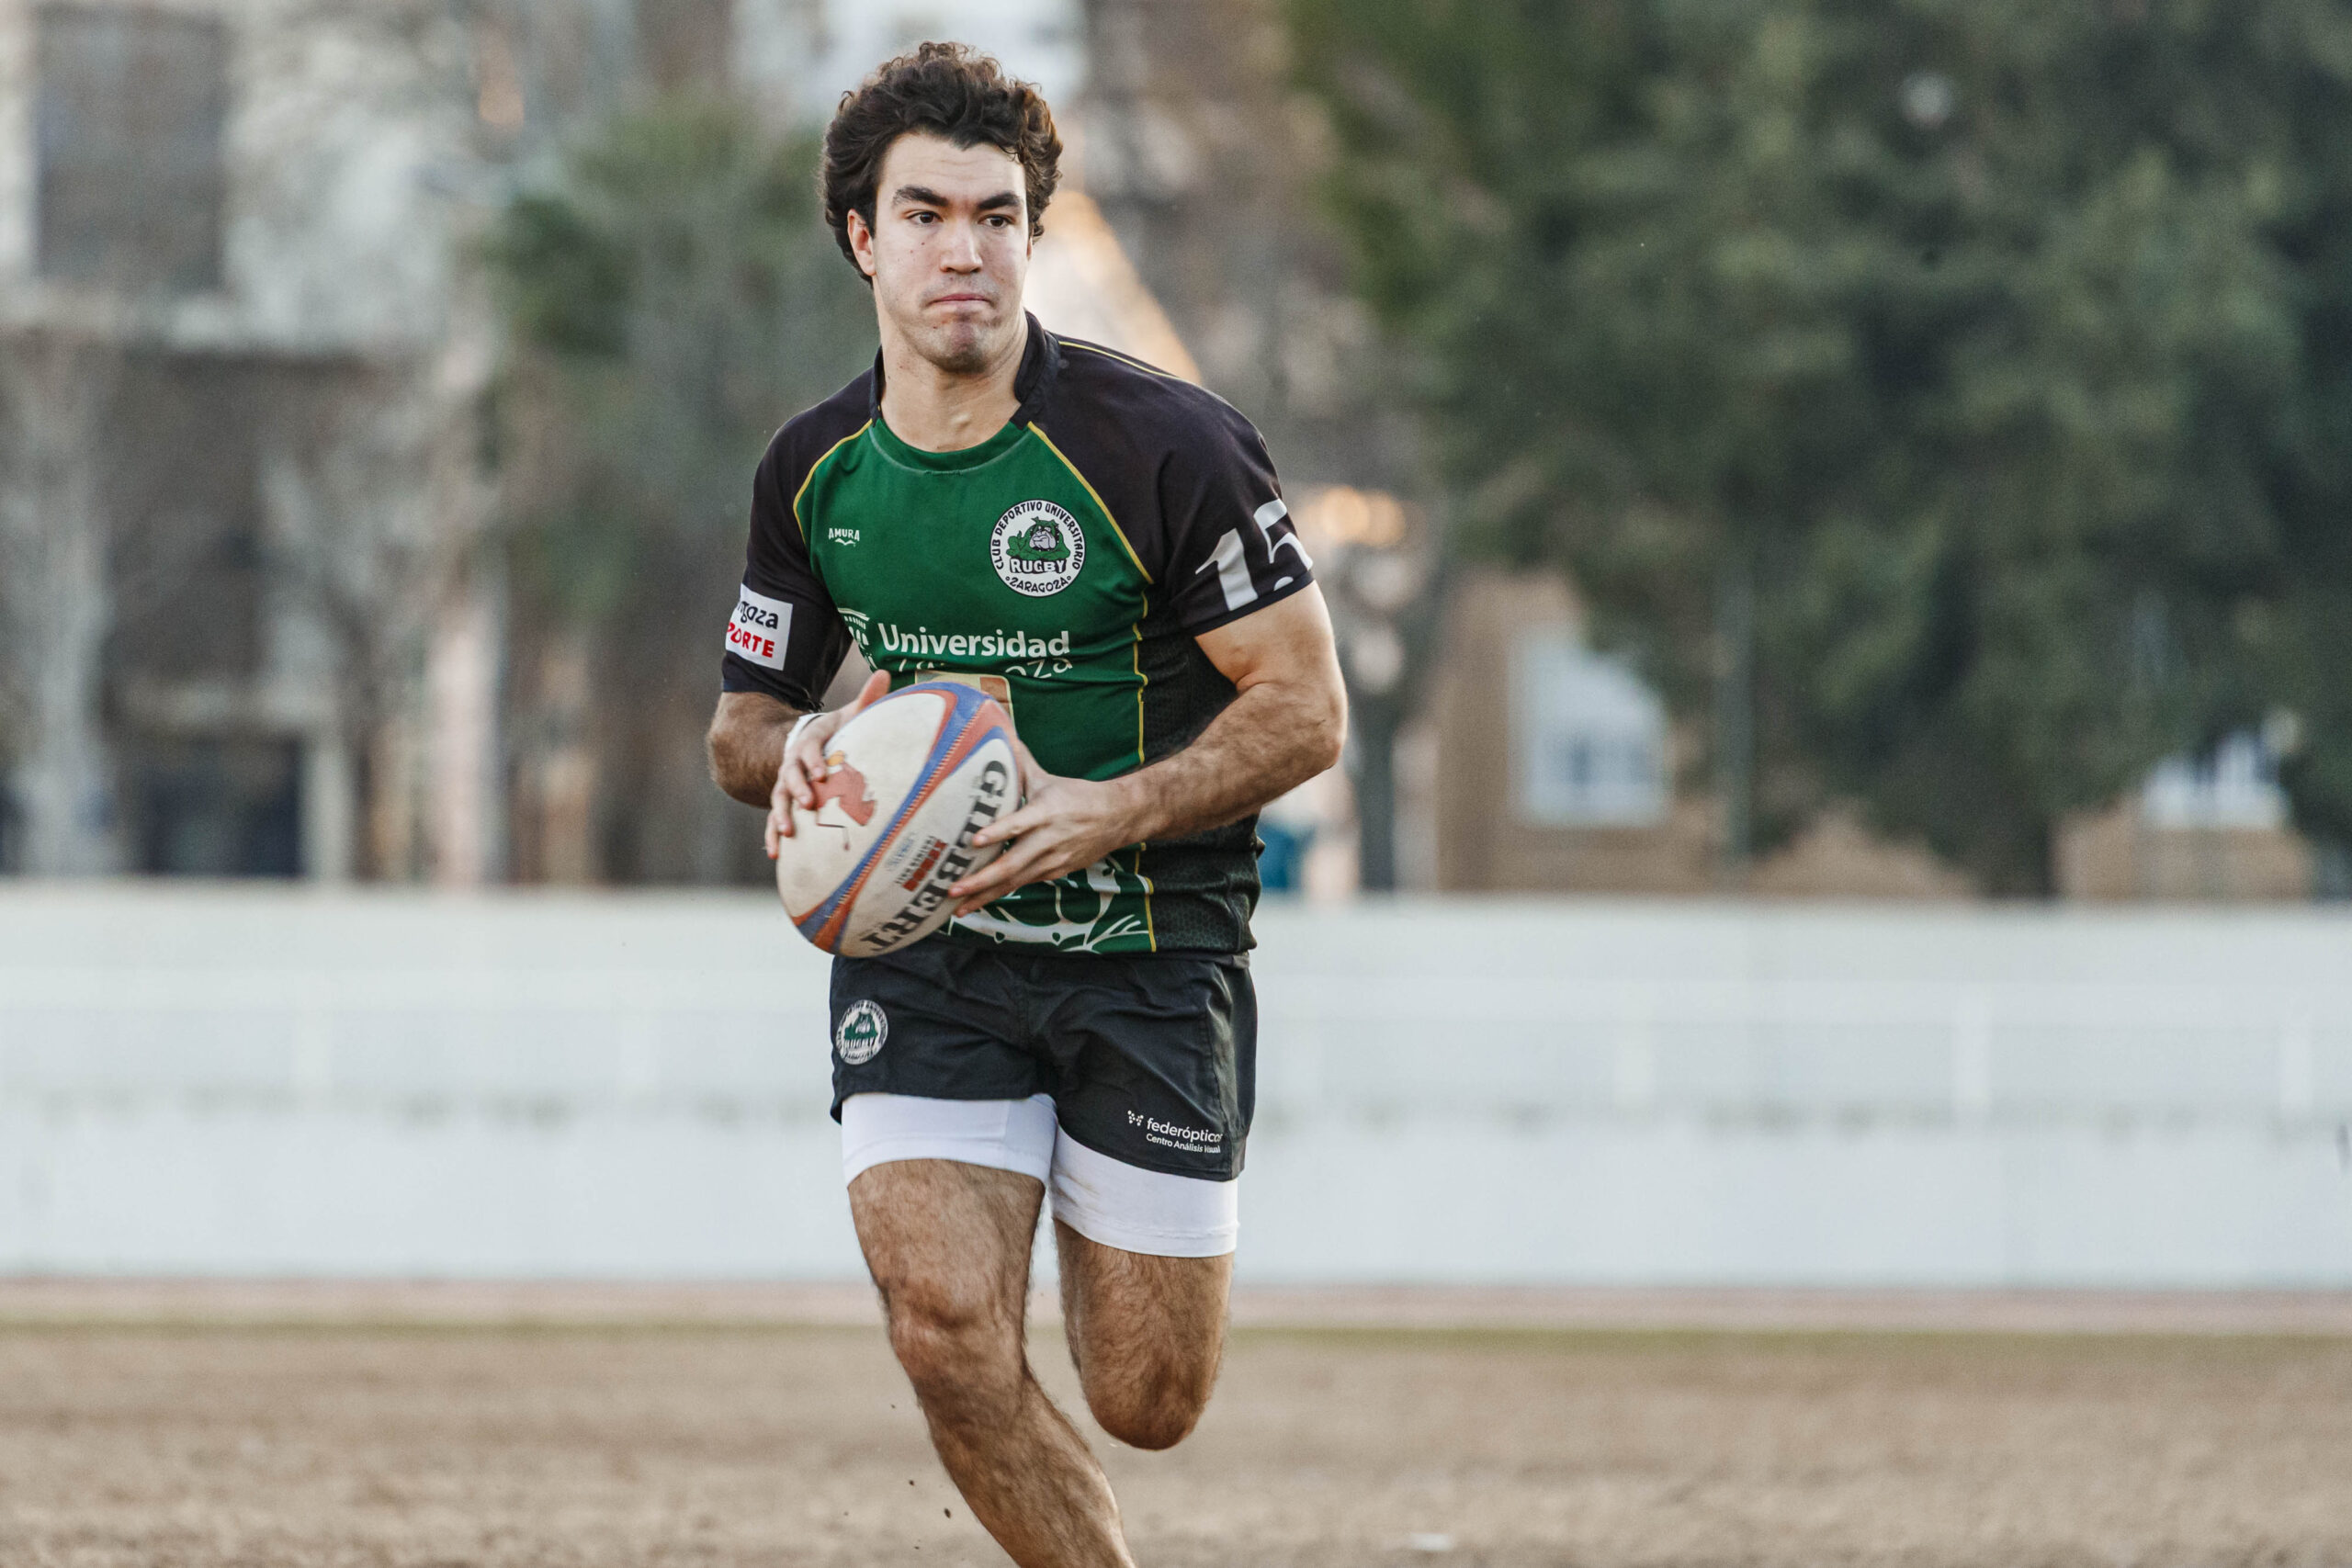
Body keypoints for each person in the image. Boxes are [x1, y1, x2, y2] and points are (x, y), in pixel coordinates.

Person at [707, 41, 1346, 1567]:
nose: (965, 251)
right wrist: (810, 753)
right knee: (943, 1335)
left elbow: (1307, 707)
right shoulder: (813, 473)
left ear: (1032, 235)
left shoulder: (1165, 445)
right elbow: (740, 728)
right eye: (925, 215)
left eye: (997, 216)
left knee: (1149, 1398)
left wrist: (1108, 810)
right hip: (931, 952)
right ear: (863, 239)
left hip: (1151, 945)